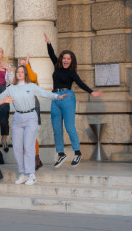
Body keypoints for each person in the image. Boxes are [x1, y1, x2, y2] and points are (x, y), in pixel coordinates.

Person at [0, 65, 66, 186]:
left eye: (22, 72)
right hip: (17, 118)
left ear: (25, 74)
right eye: (18, 72)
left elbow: (44, 93)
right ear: (15, 74)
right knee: (17, 148)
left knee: (29, 147)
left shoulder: (31, 86)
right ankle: (23, 174)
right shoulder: (11, 88)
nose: (19, 74)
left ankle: (31, 174)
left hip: (31, 116)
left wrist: (57, 96)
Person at [44, 33, 103, 167]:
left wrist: (92, 92)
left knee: (69, 127)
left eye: (68, 59)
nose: (65, 60)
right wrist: (48, 43)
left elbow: (81, 83)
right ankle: (60, 153)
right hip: (55, 98)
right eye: (64, 58)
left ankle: (77, 152)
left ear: (71, 61)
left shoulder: (72, 72)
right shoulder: (57, 66)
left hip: (68, 97)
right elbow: (52, 54)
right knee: (56, 128)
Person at [18, 54, 43, 170]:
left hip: (32, 107)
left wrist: (27, 64)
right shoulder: (17, 79)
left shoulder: (33, 77)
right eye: (20, 64)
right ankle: (29, 158)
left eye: (24, 64)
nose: (22, 66)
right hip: (21, 109)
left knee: (31, 134)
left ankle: (35, 158)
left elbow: (32, 78)